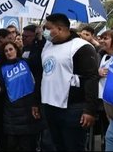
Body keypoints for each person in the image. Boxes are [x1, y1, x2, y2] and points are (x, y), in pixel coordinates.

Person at [41, 13, 99, 151]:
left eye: (48, 28)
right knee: (56, 146)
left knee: (73, 147)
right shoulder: (47, 46)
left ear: (60, 29)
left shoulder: (81, 47)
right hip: (50, 106)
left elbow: (91, 78)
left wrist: (90, 110)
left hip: (72, 108)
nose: (45, 32)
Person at [0, 42, 45, 151]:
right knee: (12, 145)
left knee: (28, 145)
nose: (8, 52)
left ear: (16, 50)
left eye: (11, 49)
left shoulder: (26, 62)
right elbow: (4, 90)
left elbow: (40, 58)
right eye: (6, 51)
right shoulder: (2, 69)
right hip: (12, 113)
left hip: (29, 108)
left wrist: (39, 39)